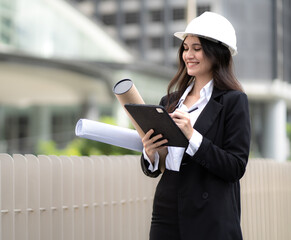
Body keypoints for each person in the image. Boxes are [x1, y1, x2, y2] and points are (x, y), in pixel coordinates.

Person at [140, 11, 251, 240]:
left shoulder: (233, 101)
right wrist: (150, 153)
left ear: (216, 52)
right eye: (185, 48)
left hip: (210, 215)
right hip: (166, 208)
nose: (188, 55)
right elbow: (163, 163)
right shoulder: (169, 102)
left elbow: (235, 166)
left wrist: (192, 136)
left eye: (197, 48)